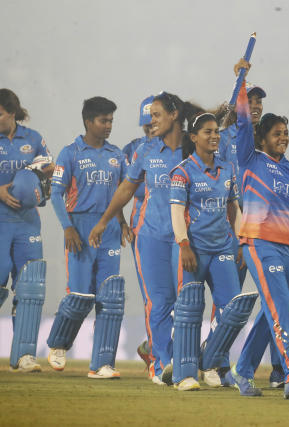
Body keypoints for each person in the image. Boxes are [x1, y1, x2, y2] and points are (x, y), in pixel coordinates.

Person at [229, 66, 289, 400]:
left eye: (286, 132)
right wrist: (240, 81)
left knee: (272, 313)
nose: (283, 136)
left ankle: (242, 370)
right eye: (277, 133)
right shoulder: (249, 158)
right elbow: (242, 121)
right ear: (262, 137)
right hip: (259, 243)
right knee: (281, 309)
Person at [88, 92, 194, 385]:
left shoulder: (193, 148)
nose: (151, 124)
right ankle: (161, 365)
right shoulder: (144, 151)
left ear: (174, 116)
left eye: (156, 117)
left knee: (185, 301)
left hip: (184, 238)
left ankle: (187, 361)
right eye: (148, 120)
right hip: (149, 236)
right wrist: (104, 221)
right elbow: (125, 188)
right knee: (158, 302)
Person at [46, 96, 131, 379]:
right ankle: (58, 344)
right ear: (88, 121)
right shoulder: (70, 153)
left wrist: (122, 223)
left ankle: (102, 364)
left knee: (109, 298)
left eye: (110, 121)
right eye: (103, 121)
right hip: (79, 229)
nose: (108, 126)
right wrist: (67, 227)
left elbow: (121, 194)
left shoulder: (117, 155)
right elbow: (56, 193)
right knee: (80, 295)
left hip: (109, 232)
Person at [168, 110, 246, 391]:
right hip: (195, 249)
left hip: (223, 247)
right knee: (189, 310)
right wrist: (184, 244)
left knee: (232, 310)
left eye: (216, 131)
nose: (214, 136)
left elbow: (233, 207)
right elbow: (176, 212)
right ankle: (183, 375)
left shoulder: (228, 169)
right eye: (207, 132)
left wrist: (240, 241)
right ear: (193, 137)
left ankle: (210, 361)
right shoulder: (182, 172)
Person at [217, 81, 287, 389]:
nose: (256, 105)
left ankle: (278, 368)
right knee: (230, 300)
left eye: (259, 101)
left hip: (265, 228)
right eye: (250, 100)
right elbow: (215, 182)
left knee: (274, 299)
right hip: (231, 228)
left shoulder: (268, 140)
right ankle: (217, 363)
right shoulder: (222, 138)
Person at [0, 88, 53, 372]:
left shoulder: (33, 139)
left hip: (27, 223)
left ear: (12, 112)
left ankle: (24, 356)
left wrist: (40, 183)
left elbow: (50, 170)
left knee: (30, 287)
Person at [121, 95, 155, 370]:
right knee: (152, 294)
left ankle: (155, 348)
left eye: (154, 123)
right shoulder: (132, 150)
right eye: (146, 126)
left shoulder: (181, 148)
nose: (151, 130)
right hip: (143, 227)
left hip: (179, 227)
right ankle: (156, 355)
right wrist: (121, 223)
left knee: (181, 296)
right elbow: (120, 191)